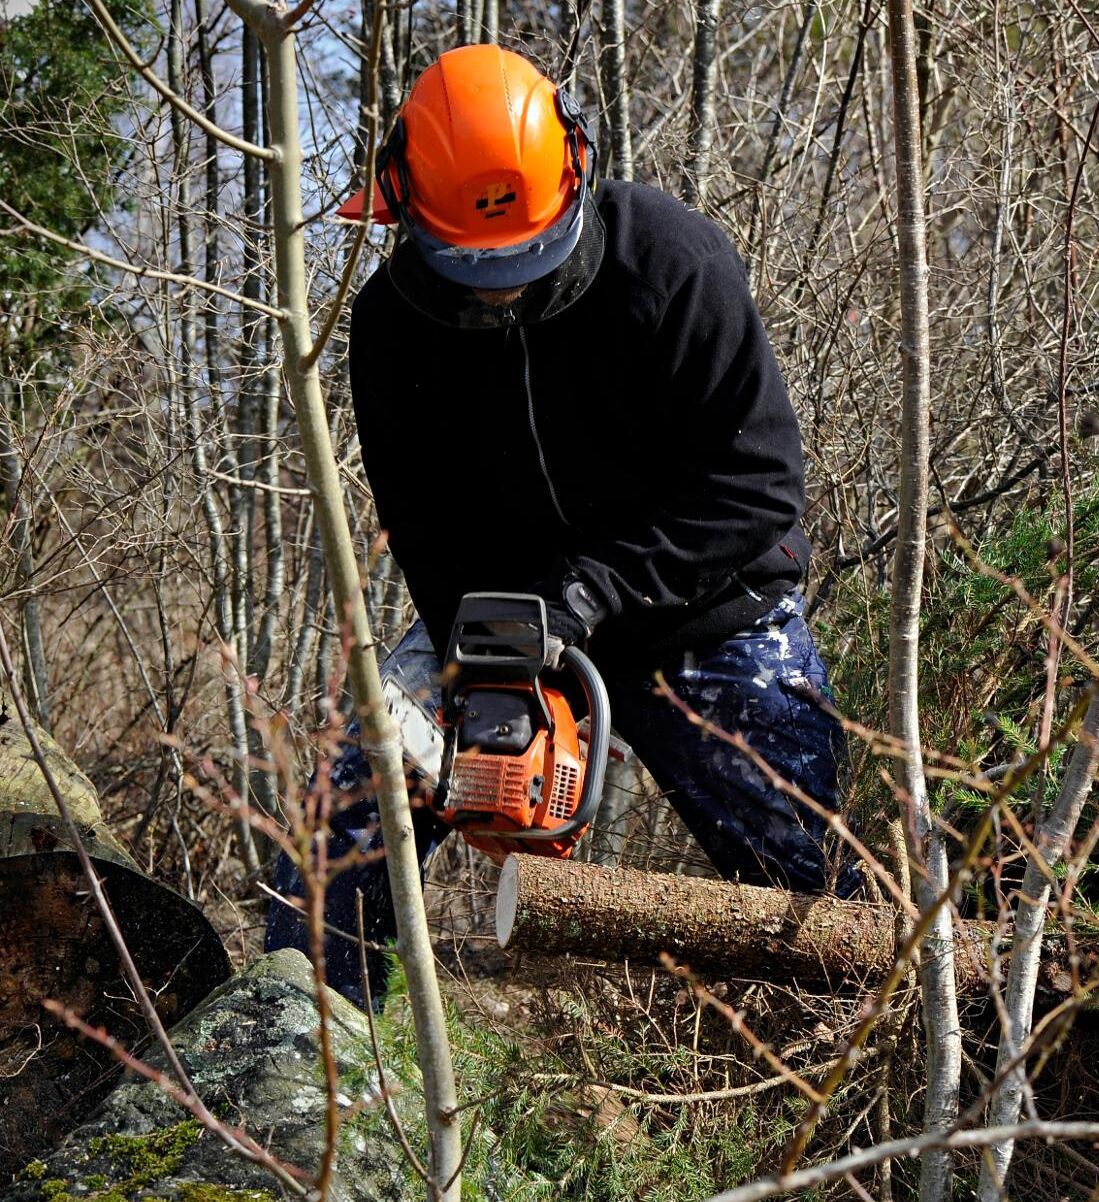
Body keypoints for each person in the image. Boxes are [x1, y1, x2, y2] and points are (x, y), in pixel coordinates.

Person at [265, 44, 859, 1006]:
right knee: (340, 825)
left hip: (700, 605)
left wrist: (590, 590)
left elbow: (757, 487)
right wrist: (492, 658)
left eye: (523, 255)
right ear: (408, 212)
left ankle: (846, 1063)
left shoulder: (670, 264)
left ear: (574, 175)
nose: (499, 284)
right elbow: (423, 525)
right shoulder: (390, 327)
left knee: (809, 876)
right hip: (505, 612)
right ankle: (317, 1078)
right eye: (470, 262)